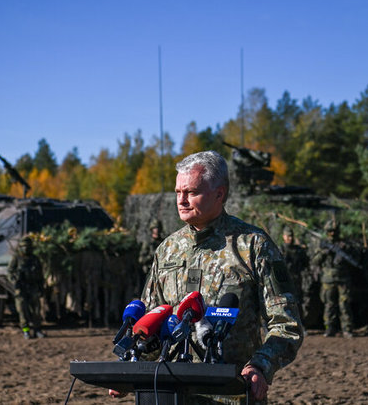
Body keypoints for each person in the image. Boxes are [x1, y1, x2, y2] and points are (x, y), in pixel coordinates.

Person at [114, 151, 304, 404]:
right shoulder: (167, 249)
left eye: (191, 192)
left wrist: (260, 366)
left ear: (219, 193)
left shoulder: (253, 245)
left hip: (231, 393)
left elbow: (286, 324)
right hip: (170, 392)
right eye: (178, 192)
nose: (181, 200)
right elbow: (153, 320)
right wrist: (130, 367)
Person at [310, 220, 357, 338]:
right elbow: (315, 261)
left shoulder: (344, 244)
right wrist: (324, 253)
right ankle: (329, 328)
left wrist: (345, 250)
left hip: (343, 279)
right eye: (330, 231)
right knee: (329, 305)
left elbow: (354, 258)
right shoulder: (323, 245)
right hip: (328, 280)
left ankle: (347, 329)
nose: (332, 233)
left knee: (344, 305)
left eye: (334, 231)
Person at [8, 235, 46, 339]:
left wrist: (41, 288)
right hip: (21, 288)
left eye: (28, 246)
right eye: (24, 246)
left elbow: (40, 274)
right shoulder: (16, 258)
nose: (26, 248)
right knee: (22, 311)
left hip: (33, 287)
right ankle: (26, 331)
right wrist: (15, 280)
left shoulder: (35, 259)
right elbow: (10, 272)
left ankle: (37, 330)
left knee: (36, 311)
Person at [279, 226, 308, 307]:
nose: (290, 238)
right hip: (284, 283)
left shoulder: (298, 250)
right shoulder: (280, 250)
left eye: (291, 236)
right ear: (283, 236)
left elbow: (305, 264)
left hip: (296, 282)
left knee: (298, 305)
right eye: (288, 236)